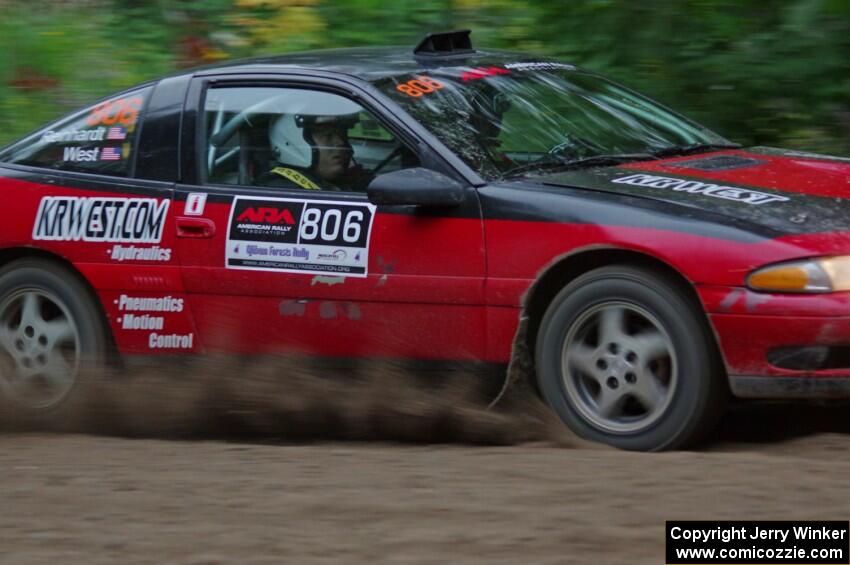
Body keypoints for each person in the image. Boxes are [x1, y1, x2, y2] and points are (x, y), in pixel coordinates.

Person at [260, 100, 373, 191]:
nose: (340, 142)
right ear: (292, 141)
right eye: (327, 136)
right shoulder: (283, 192)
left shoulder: (343, 180)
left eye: (342, 134)